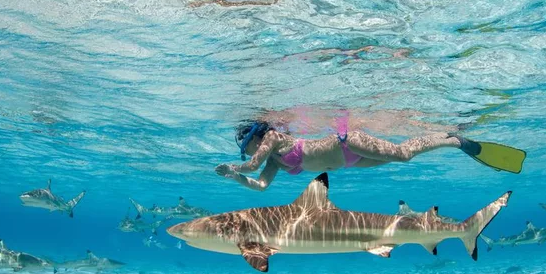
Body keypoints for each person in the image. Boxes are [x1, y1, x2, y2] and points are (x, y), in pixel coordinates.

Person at [215, 121, 526, 191]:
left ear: (256, 135)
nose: (252, 152)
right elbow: (260, 185)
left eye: (248, 146)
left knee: (403, 154)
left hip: (348, 143)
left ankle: (453, 139)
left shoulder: (272, 137)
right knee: (403, 159)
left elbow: (253, 164)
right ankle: (450, 138)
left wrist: (234, 166)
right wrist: (235, 176)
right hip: (351, 162)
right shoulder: (272, 161)